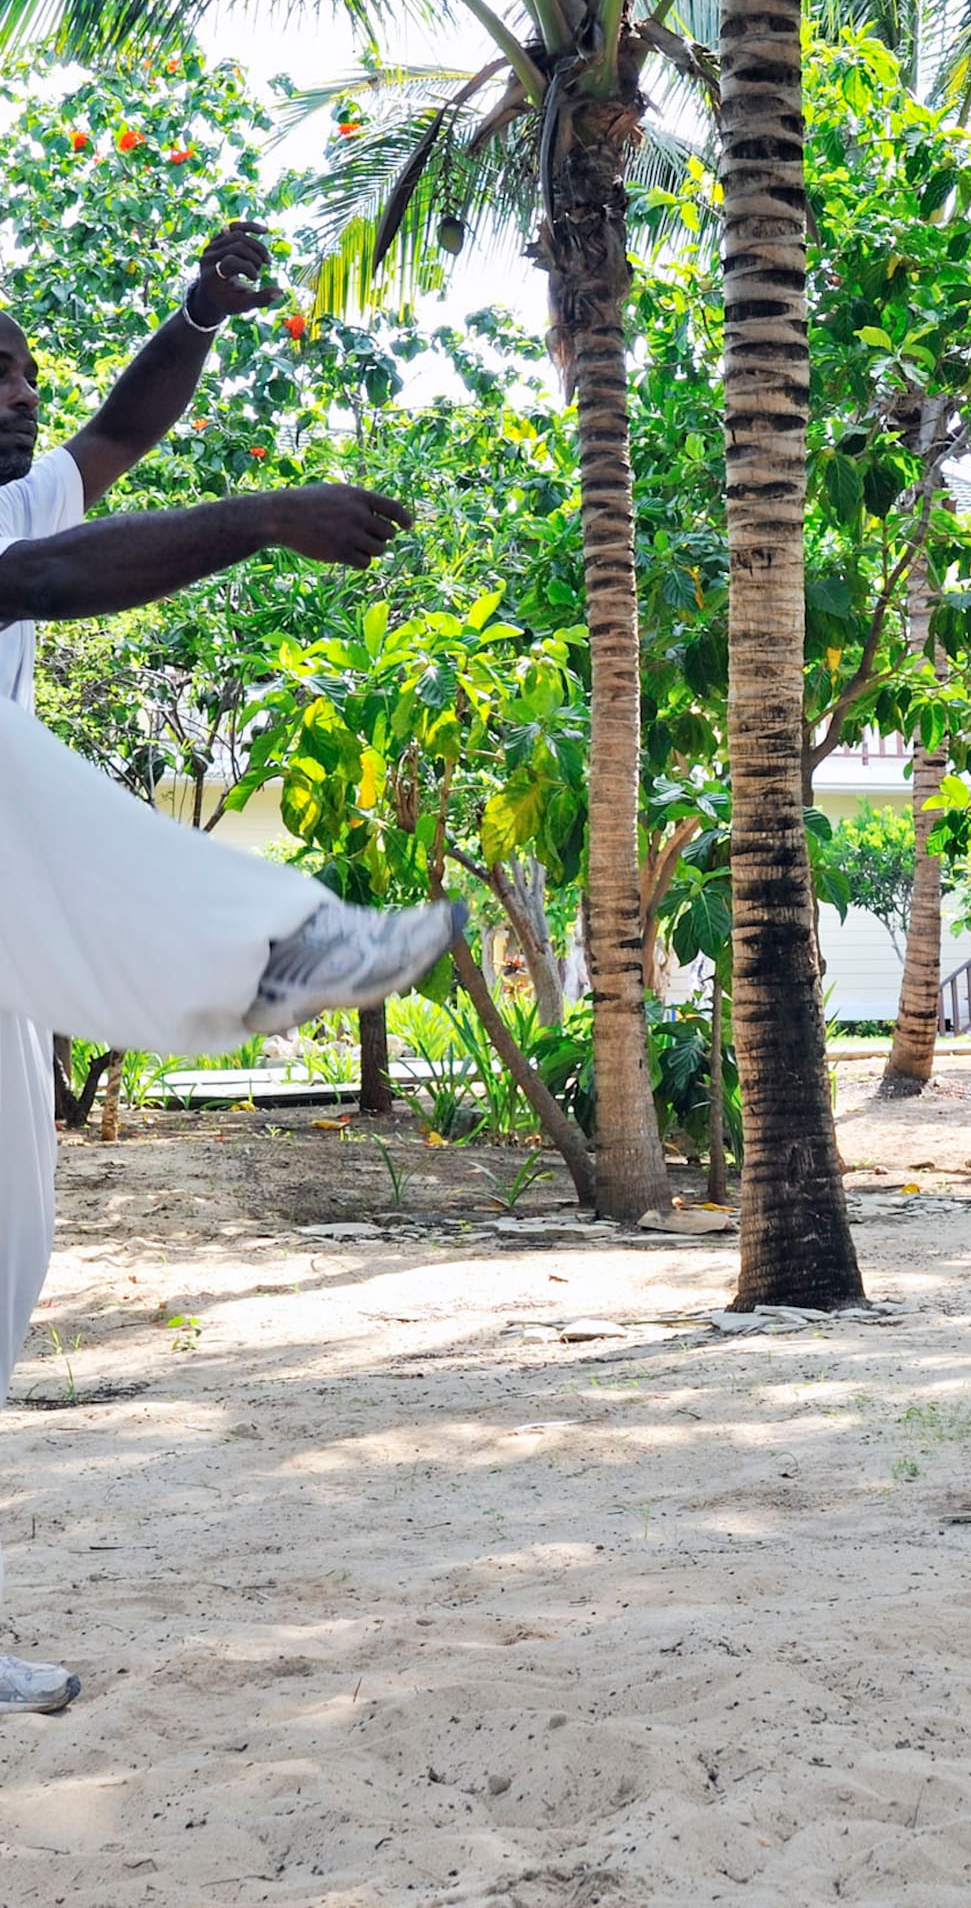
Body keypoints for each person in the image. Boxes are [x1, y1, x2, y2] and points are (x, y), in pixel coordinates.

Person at [0, 221, 463, 1713]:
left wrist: (198, 314)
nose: (18, 393)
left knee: (4, 1266)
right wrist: (258, 516)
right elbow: (42, 581)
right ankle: (267, 944)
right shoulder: (19, 546)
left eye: (21, 372)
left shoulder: (19, 495)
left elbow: (117, 438)